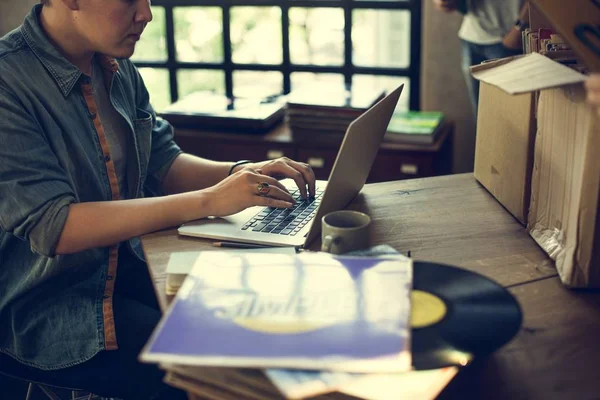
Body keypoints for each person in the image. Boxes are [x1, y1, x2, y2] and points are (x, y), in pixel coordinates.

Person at [0, 0, 315, 399]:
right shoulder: (7, 83)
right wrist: (209, 200)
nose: (146, 13)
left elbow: (163, 160)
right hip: (49, 302)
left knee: (256, 321)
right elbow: (55, 226)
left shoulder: (114, 64)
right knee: (207, 371)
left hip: (127, 264)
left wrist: (243, 172)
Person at [433, 0, 527, 117]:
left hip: (508, 39)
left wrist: (520, 27)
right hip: (472, 36)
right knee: (481, 118)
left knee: (510, 118)